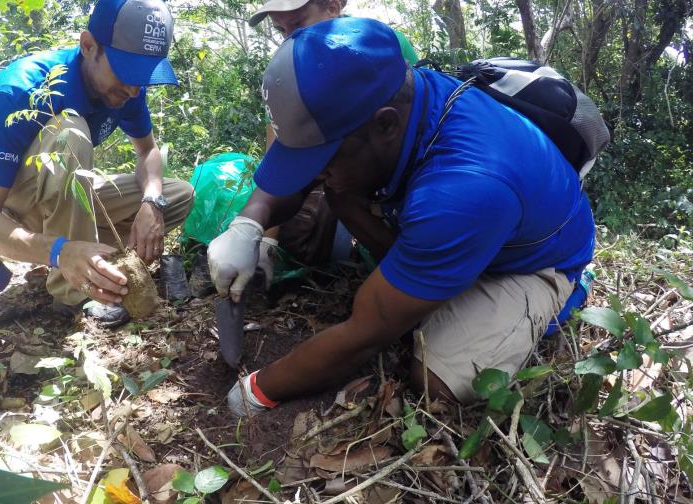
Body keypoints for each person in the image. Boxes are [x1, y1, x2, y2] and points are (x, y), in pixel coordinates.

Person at [208, 17, 595, 416]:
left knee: (437, 380)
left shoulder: (464, 189)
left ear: (386, 124)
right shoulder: (395, 91)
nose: (313, 174)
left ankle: (566, 290)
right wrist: (250, 223)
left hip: (531, 262)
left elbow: (364, 334)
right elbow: (297, 177)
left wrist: (260, 389)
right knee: (340, 189)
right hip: (464, 218)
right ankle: (425, 275)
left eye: (321, 160)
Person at [0, 0, 193, 327]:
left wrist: (151, 201)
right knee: (70, 132)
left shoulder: (131, 89)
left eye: (142, 75)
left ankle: (100, 256)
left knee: (179, 194)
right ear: (88, 46)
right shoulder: (19, 90)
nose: (133, 88)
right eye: (126, 71)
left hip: (65, 194)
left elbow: (148, 151)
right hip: (14, 211)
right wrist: (60, 251)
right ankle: (74, 289)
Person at [246, 0, 421, 284]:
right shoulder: (290, 64)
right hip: (336, 165)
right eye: (281, 30)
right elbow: (280, 152)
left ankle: (406, 276)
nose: (291, 38)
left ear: (333, 6)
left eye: (298, 24)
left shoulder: (377, 46)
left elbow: (412, 127)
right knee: (305, 236)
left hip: (387, 173)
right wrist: (265, 241)